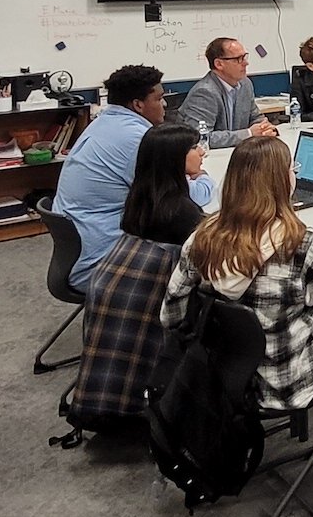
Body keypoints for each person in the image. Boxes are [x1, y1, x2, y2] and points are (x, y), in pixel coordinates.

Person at [163, 136, 313, 408]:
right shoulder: (302, 243)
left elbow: (171, 315)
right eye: (292, 169)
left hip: (224, 370)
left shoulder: (202, 238)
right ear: (282, 181)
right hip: (288, 379)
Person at [69, 124, 212, 428]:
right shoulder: (181, 210)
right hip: (149, 299)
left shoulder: (142, 196)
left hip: (113, 283)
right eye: (193, 149)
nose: (200, 153)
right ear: (175, 159)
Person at [52, 63, 179, 296]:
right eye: (159, 98)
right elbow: (176, 199)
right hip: (101, 263)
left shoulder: (102, 123)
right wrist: (200, 176)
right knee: (199, 249)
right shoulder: (136, 138)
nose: (165, 104)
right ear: (138, 105)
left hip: (81, 252)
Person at [178, 37, 276, 149]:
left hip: (236, 153)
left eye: (245, 57)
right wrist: (248, 134)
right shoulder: (205, 92)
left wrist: (265, 128)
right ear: (219, 64)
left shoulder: (245, 84)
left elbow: (255, 117)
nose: (246, 63)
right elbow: (200, 138)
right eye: (238, 59)